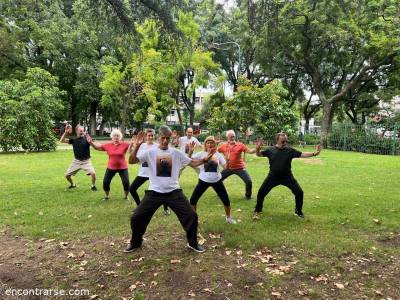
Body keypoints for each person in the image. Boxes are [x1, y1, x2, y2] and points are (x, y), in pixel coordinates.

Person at [125, 125, 214, 253]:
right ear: (158, 138)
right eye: (163, 138)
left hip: (174, 192)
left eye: (167, 138)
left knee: (191, 215)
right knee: (136, 217)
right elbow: (132, 161)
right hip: (154, 192)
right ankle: (136, 243)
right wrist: (137, 145)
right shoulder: (150, 152)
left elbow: (192, 163)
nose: (165, 141)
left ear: (171, 139)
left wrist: (205, 159)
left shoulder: (176, 153)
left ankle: (193, 243)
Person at [254, 132, 322, 219]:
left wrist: (314, 153)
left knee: (299, 192)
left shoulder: (290, 150)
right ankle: (258, 209)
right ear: (277, 140)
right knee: (261, 192)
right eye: (283, 141)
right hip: (273, 177)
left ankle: (298, 212)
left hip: (287, 177)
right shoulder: (270, 150)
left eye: (286, 141)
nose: (285, 143)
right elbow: (258, 154)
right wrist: (257, 149)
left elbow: (302, 154)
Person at [189, 136, 236, 224]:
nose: (210, 144)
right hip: (203, 180)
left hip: (217, 181)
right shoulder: (201, 154)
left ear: (214, 145)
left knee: (226, 200)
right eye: (208, 142)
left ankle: (228, 218)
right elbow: (189, 160)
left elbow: (226, 168)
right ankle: (194, 219)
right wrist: (191, 151)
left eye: (212, 143)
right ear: (205, 144)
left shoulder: (218, 155)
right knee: (193, 200)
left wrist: (228, 160)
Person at [129, 129, 170, 215]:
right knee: (132, 189)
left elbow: (164, 156)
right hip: (143, 173)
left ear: (154, 136)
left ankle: (166, 209)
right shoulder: (141, 146)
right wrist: (135, 145)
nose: (150, 137)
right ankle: (139, 206)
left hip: (155, 173)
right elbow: (134, 158)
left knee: (163, 189)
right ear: (146, 137)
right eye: (149, 135)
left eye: (152, 135)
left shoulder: (157, 146)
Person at [87, 129, 130, 201]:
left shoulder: (125, 145)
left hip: (122, 167)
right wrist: (91, 143)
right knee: (106, 182)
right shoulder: (108, 145)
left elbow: (133, 147)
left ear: (120, 137)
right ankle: (107, 196)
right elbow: (97, 148)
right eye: (114, 136)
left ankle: (126, 196)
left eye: (117, 136)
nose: (116, 138)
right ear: (112, 137)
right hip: (111, 167)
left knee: (126, 182)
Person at [218, 130, 257, 200]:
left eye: (233, 136)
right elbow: (215, 152)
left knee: (248, 181)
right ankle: (221, 193)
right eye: (230, 136)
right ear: (227, 137)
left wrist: (257, 148)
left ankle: (248, 196)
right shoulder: (223, 146)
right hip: (228, 168)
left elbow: (250, 151)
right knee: (218, 179)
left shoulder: (240, 145)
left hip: (239, 168)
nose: (232, 138)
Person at [60, 124, 97, 190]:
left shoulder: (87, 139)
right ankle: (72, 184)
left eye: (82, 131)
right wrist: (65, 132)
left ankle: (93, 186)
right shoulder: (74, 140)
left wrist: (90, 140)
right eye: (80, 131)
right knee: (67, 175)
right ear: (77, 131)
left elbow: (94, 144)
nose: (82, 132)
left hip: (86, 161)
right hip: (76, 161)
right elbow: (62, 140)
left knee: (93, 173)